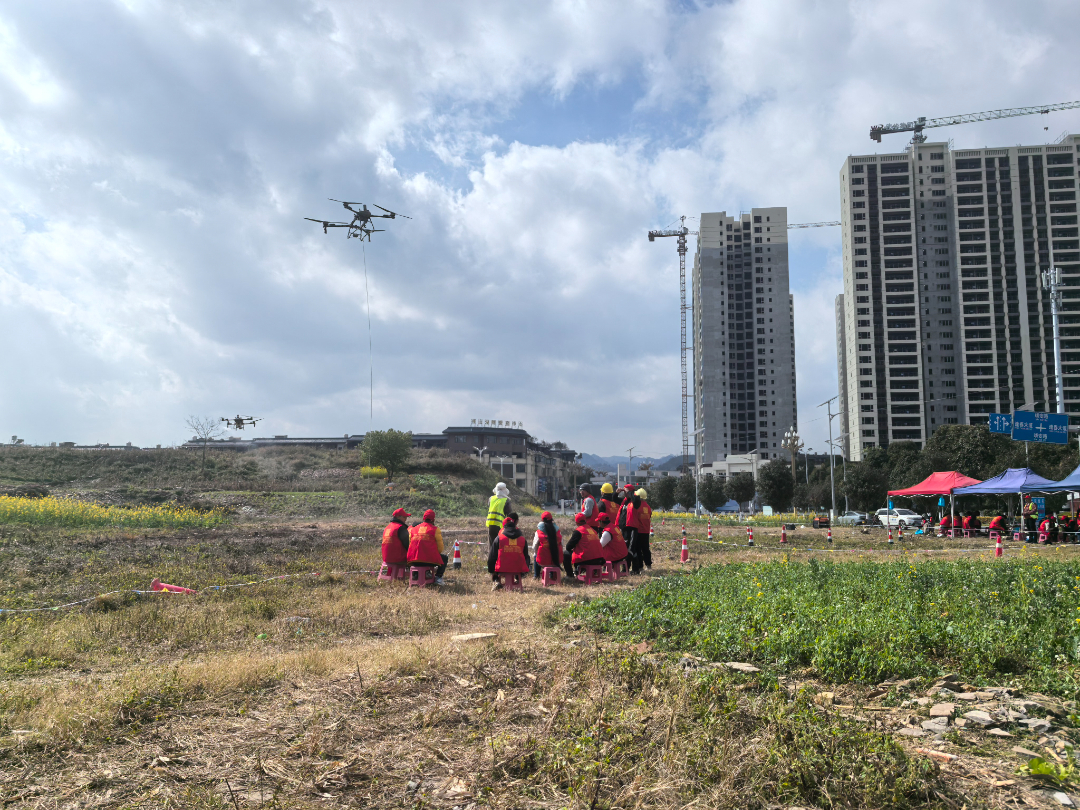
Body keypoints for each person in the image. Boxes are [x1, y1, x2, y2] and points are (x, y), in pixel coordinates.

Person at [408, 509, 448, 585]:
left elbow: (410, 544)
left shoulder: (413, 529)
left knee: (419, 561)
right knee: (444, 558)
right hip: (428, 560)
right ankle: (438, 578)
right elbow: (440, 548)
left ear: (423, 518)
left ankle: (416, 575)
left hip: (412, 560)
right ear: (433, 519)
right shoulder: (435, 529)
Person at [488, 514, 528, 590]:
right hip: (519, 568)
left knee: (496, 560)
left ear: (504, 527)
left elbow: (492, 556)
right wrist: (524, 571)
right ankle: (517, 579)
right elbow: (526, 556)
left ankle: (496, 581)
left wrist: (491, 570)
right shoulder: (522, 538)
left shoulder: (499, 538)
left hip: (502, 568)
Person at [563, 512, 605, 579]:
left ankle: (570, 575)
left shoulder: (579, 531)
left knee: (566, 553)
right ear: (585, 520)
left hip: (587, 560)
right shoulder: (592, 530)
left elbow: (568, 547)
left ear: (576, 522)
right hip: (599, 560)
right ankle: (579, 571)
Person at [625, 488, 653, 573]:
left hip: (638, 530)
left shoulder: (636, 505)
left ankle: (640, 566)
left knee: (638, 550)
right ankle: (648, 565)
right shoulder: (647, 506)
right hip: (646, 530)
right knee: (646, 549)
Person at [531, 511, 563, 579]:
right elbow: (562, 545)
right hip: (557, 562)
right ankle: (552, 575)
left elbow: (534, 546)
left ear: (542, 520)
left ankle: (536, 576)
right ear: (552, 519)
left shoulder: (539, 532)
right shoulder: (558, 531)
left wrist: (537, 554)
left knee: (535, 555)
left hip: (542, 562)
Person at [487, 483, 511, 548]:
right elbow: (509, 514)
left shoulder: (491, 499)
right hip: (501, 526)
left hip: (491, 524)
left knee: (492, 546)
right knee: (500, 546)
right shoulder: (506, 500)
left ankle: (491, 557)